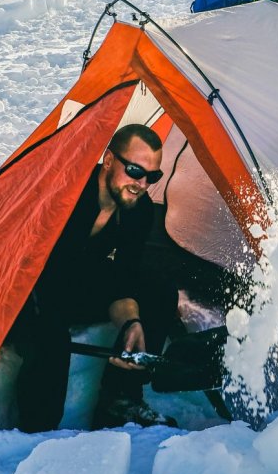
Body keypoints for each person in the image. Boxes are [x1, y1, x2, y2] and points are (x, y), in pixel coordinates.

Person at [11, 124, 179, 432]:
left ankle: (121, 399)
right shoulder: (68, 193)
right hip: (29, 285)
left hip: (75, 282)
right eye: (134, 170)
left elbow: (124, 276)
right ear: (109, 160)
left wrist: (130, 323)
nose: (142, 184)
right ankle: (37, 429)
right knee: (50, 325)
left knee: (159, 292)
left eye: (151, 176)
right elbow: (34, 267)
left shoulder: (137, 209)